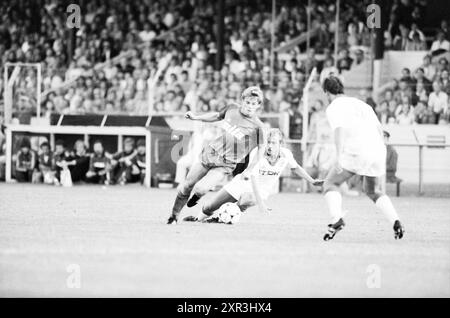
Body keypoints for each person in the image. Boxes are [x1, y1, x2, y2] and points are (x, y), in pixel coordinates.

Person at [320, 76, 404, 241]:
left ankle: (336, 220)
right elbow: (379, 129)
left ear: (327, 93)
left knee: (330, 183)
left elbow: (339, 130)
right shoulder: (362, 104)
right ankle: (396, 221)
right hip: (378, 149)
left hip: (357, 149)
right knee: (373, 190)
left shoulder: (334, 107)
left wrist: (337, 156)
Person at [167, 86, 267, 224]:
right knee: (186, 186)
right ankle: (174, 216)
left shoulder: (258, 127)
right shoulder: (232, 108)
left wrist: (251, 169)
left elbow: (262, 148)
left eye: (254, 103)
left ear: (258, 106)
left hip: (226, 164)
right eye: (248, 102)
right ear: (242, 100)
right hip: (211, 153)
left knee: (201, 189)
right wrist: (196, 117)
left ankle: (196, 197)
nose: (250, 106)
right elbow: (216, 116)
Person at [183, 129, 323, 222]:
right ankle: (198, 219)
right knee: (209, 207)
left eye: (273, 143)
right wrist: (262, 205)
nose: (269, 146)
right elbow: (253, 178)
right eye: (268, 142)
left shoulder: (286, 155)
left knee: (247, 199)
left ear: (280, 144)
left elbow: (296, 167)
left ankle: (221, 218)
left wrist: (312, 180)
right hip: (242, 183)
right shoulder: (259, 153)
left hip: (260, 191)